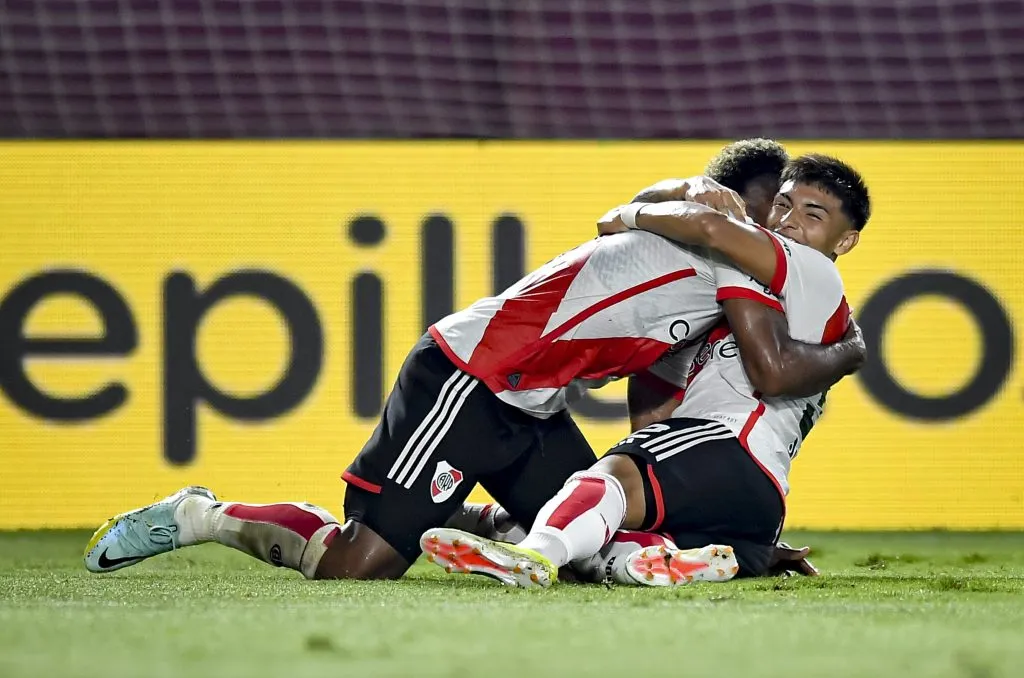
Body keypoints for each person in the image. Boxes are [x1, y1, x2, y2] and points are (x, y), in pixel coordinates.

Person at [82, 142, 862, 584]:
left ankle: (468, 517)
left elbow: (653, 401)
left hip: (534, 403)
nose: (783, 227)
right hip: (474, 375)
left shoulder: (739, 274)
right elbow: (668, 218)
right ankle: (200, 515)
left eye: (798, 214)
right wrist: (849, 348)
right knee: (357, 565)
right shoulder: (709, 226)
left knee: (584, 543)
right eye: (775, 208)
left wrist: (715, 521)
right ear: (737, 203)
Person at [423, 154, 870, 587]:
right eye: (783, 205)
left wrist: (627, 215)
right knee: (607, 529)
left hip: (730, 443)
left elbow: (710, 227)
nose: (789, 221)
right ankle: (662, 560)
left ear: (845, 241)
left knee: (609, 478)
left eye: (813, 214)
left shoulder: (807, 267)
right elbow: (657, 391)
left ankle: (534, 554)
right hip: (759, 493)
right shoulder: (778, 300)